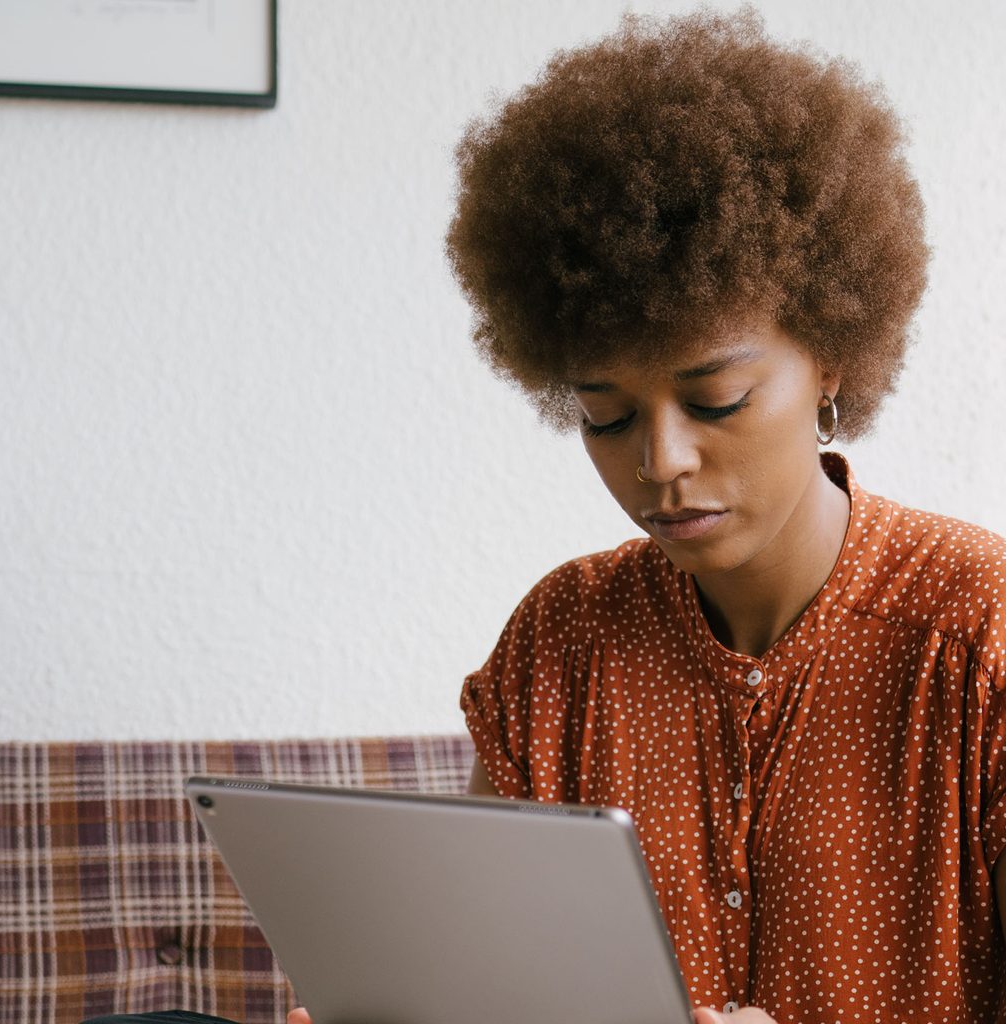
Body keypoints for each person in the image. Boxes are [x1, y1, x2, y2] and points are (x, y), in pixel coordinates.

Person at [92, 8, 1005, 1024]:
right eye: (604, 414)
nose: (660, 461)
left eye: (716, 401)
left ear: (831, 357)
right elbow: (479, 989)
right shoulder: (561, 644)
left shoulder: (980, 641)